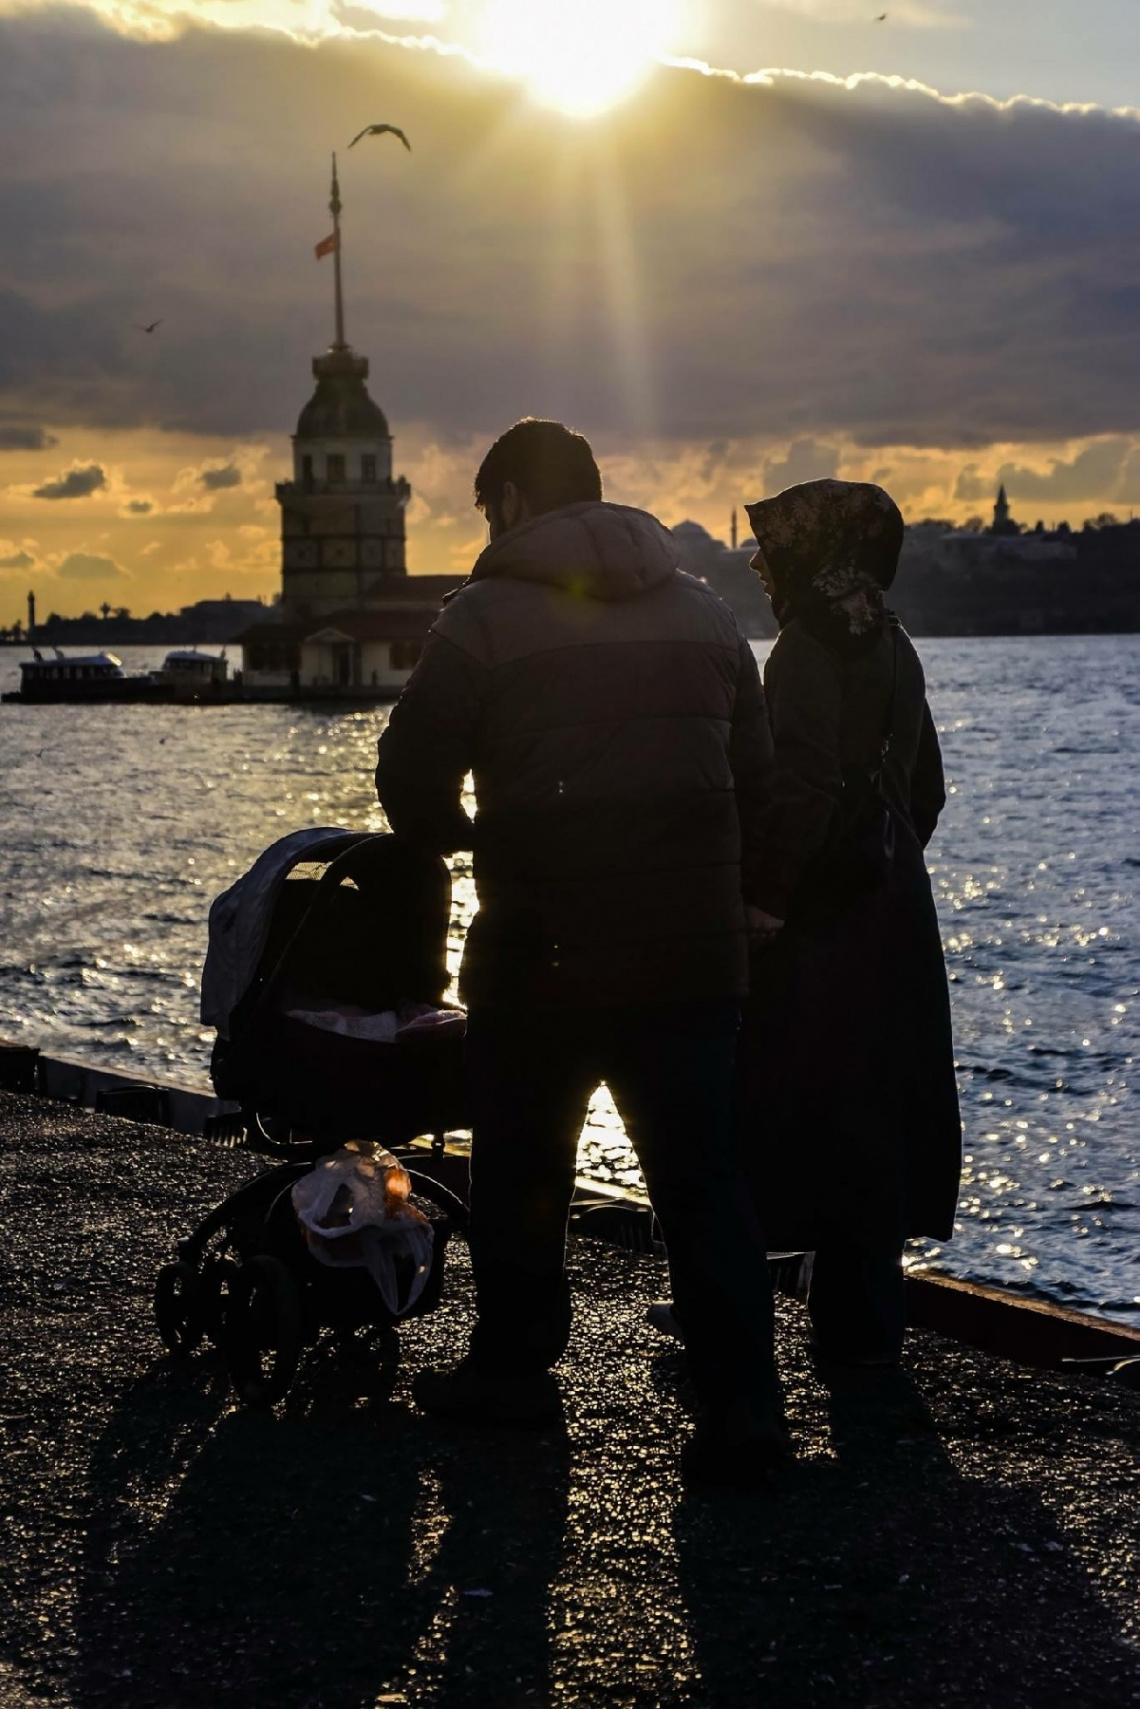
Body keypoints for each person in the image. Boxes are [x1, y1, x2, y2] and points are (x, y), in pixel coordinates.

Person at [375, 418, 784, 1484]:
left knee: (520, 1166)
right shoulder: (704, 613)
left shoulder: (483, 619)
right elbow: (761, 781)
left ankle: (512, 1376)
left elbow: (412, 776)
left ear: (510, 503)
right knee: (703, 1177)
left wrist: (463, 838)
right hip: (695, 957)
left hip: (541, 945)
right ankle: (746, 1409)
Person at [737, 478, 961, 1366]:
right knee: (875, 1114)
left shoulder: (804, 647)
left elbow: (801, 782)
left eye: (773, 548)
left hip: (820, 917)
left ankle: (740, 1314)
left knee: (790, 1097)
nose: (759, 565)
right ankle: (864, 1335)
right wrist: (890, 859)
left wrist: (768, 896)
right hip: (896, 909)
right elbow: (929, 788)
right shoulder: (897, 644)